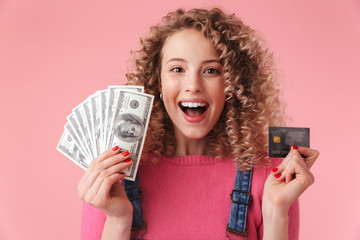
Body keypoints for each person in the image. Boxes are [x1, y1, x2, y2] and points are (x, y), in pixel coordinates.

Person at [78, 8, 319, 240]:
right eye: (177, 69)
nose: (193, 84)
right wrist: (118, 220)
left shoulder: (271, 176)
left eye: (211, 70)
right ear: (158, 81)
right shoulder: (113, 175)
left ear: (232, 84)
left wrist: (276, 210)